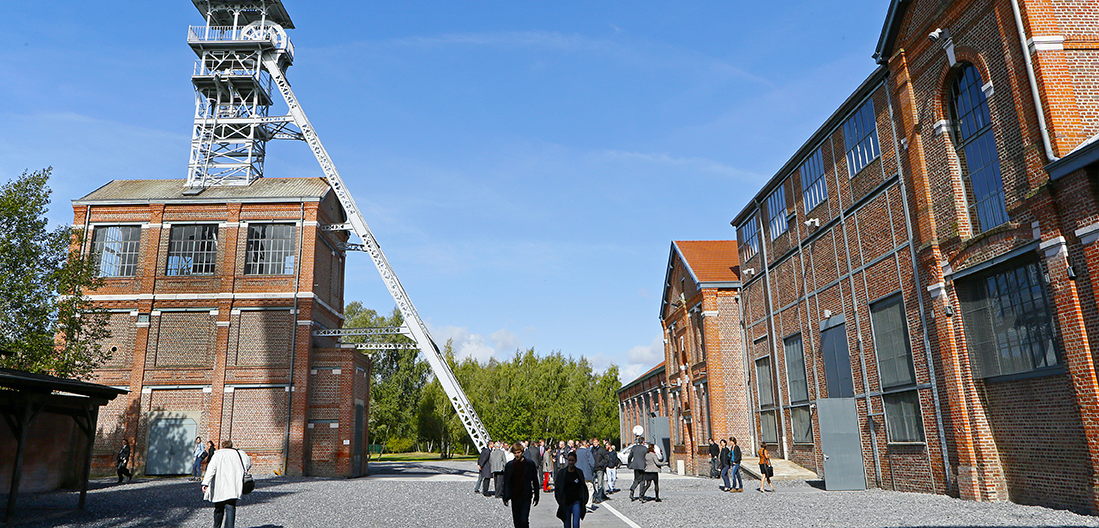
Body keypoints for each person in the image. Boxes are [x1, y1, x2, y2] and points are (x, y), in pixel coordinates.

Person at [202, 440, 252, 528]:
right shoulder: (239, 454)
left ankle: (217, 526)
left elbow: (211, 470)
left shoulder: (218, 455)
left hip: (219, 486)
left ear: (222, 446)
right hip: (233, 486)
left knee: (218, 509)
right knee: (231, 508)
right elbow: (247, 464)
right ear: (231, 446)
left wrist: (205, 483)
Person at [501, 442, 540, 528]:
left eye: (518, 452)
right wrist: (505, 496)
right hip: (515, 496)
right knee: (516, 521)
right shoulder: (510, 465)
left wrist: (537, 496)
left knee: (524, 520)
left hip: (526, 495)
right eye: (515, 453)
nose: (517, 455)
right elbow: (506, 481)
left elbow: (535, 480)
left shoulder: (530, 464)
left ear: (522, 452)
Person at [554, 451, 588, 528]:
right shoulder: (562, 473)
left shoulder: (579, 472)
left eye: (572, 460)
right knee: (567, 525)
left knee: (576, 524)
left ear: (575, 461)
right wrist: (560, 500)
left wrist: (584, 500)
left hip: (576, 501)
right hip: (566, 502)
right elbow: (558, 488)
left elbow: (583, 487)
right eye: (569, 460)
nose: (571, 462)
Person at [574, 441, 595, 508]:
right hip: (587, 473)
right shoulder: (587, 452)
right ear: (585, 445)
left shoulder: (576, 452)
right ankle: (588, 504)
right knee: (589, 489)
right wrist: (591, 472)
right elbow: (592, 463)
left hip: (577, 474)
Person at [627, 436, 648, 501]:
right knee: (642, 481)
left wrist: (629, 463)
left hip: (635, 465)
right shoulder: (645, 449)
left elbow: (630, 456)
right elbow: (647, 457)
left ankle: (632, 489)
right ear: (643, 442)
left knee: (636, 479)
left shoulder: (634, 448)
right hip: (642, 466)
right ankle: (641, 496)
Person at [590, 438, 608, 503]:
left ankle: (599, 497)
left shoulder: (602, 450)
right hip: (593, 468)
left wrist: (601, 464)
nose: (594, 443)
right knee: (592, 483)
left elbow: (606, 458)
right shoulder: (592, 450)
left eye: (595, 442)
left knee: (600, 484)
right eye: (593, 442)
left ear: (598, 442)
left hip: (600, 469)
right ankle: (595, 495)